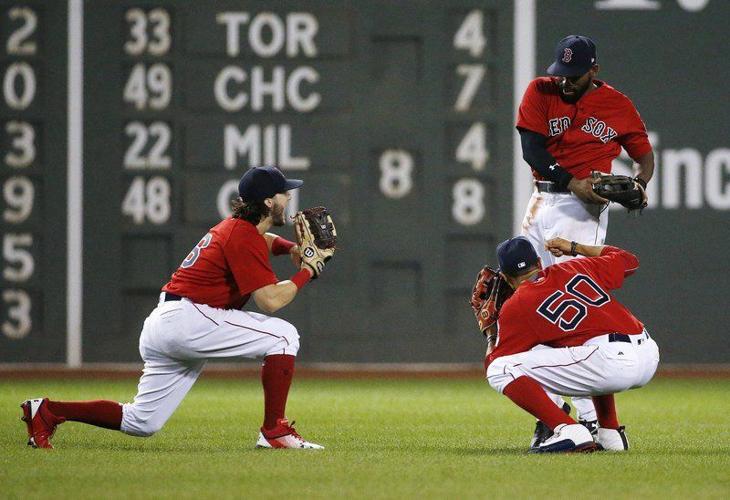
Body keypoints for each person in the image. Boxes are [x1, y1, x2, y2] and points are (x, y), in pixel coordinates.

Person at [21, 166, 331, 450]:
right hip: (189, 319)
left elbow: (263, 241)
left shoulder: (238, 228)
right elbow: (270, 301)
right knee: (283, 336)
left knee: (142, 421)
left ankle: (47, 412)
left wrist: (290, 248)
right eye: (283, 192)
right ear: (267, 202)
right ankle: (274, 432)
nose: (289, 197)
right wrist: (308, 271)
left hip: (165, 322)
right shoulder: (242, 235)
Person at [515, 34, 655, 446]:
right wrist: (569, 180)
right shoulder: (541, 90)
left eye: (575, 76)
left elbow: (643, 156)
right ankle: (590, 422)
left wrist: (642, 184)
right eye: (561, 73)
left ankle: (587, 420)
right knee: (530, 303)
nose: (565, 82)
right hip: (542, 199)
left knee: (566, 315)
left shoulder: (616, 104)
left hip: (584, 211)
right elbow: (531, 150)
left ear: (594, 71)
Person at [484, 236, 659, 453]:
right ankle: (610, 432)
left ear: (504, 277)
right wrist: (574, 248)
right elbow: (628, 260)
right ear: (539, 263)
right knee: (584, 348)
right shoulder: (576, 266)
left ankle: (569, 430)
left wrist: (490, 331)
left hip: (611, 362)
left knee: (500, 370)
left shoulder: (517, 305)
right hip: (648, 353)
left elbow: (494, 363)